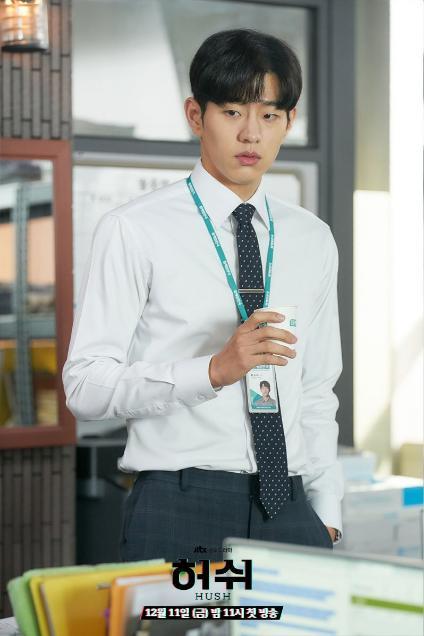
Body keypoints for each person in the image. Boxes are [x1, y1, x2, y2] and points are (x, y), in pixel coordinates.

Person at [62, 28, 344, 564]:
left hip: (290, 509)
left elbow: (316, 387)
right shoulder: (134, 229)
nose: (251, 134)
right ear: (196, 115)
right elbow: (85, 385)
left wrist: (326, 510)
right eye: (233, 112)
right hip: (181, 504)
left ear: (289, 121)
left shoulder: (312, 238)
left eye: (269, 115)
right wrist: (213, 370)